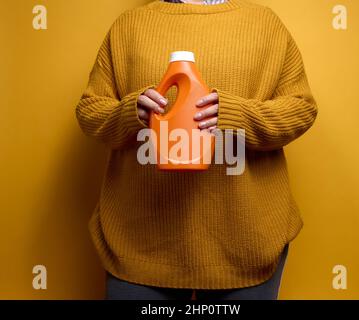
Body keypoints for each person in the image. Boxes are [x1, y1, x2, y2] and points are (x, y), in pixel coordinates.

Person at [75, 0, 318, 300]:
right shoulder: (128, 26)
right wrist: (130, 113)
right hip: (139, 242)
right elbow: (89, 111)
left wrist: (235, 115)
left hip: (245, 241)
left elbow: (302, 109)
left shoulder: (266, 25)